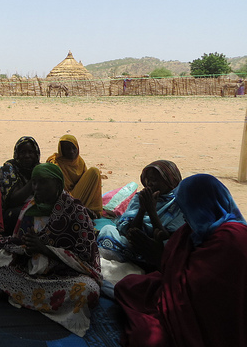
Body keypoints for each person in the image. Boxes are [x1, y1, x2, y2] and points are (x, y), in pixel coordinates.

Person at [115, 174, 247, 347]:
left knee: (149, 337)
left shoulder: (232, 238)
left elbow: (204, 290)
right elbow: (176, 255)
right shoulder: (195, 228)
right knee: (128, 286)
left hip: (213, 312)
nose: (184, 215)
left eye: (186, 208)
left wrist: (158, 257)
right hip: (180, 290)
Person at [0, 163, 101, 337]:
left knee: (89, 290)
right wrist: (22, 248)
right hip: (30, 270)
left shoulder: (75, 211)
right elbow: (18, 242)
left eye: (43, 182)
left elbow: (86, 258)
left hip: (65, 274)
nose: (37, 188)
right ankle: (34, 297)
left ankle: (19, 295)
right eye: (34, 183)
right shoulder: (29, 208)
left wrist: (45, 250)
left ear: (58, 185)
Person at [97, 160, 185, 270]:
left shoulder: (178, 203)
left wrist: (152, 211)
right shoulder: (141, 197)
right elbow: (129, 230)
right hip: (135, 244)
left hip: (156, 248)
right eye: (148, 179)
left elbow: (167, 237)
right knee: (108, 230)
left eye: (155, 180)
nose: (150, 183)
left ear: (170, 180)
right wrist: (142, 210)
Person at [47, 134, 102, 217]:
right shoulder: (55, 163)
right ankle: (81, 210)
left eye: (74, 148)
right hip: (64, 201)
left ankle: (88, 208)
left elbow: (88, 186)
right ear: (61, 150)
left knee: (94, 172)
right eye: (67, 149)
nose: (71, 151)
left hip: (77, 197)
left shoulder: (79, 162)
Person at [0, 136, 41, 235]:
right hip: (12, 213)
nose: (27, 156)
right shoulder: (8, 169)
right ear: (17, 154)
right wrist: (33, 180)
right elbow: (13, 200)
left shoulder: (39, 168)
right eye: (23, 152)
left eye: (31, 152)